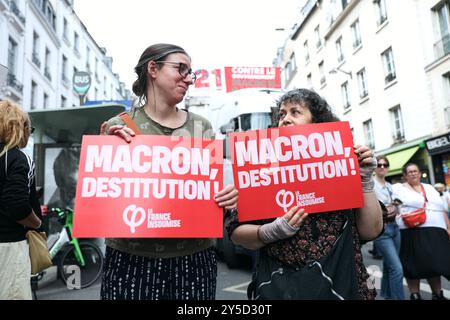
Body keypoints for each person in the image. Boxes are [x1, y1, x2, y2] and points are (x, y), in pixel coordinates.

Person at [99, 44, 238, 300]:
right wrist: (103, 155)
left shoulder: (202, 126)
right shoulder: (119, 126)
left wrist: (226, 200)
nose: (188, 79)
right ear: (153, 68)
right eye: (180, 69)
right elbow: (102, 201)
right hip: (131, 259)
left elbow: (213, 193)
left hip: (194, 259)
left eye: (190, 72)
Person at [227, 88, 383, 300]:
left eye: (295, 112)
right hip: (283, 290)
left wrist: (364, 181)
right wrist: (270, 232)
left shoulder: (343, 166)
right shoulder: (261, 171)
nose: (285, 119)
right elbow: (237, 234)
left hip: (342, 286)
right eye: (281, 114)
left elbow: (370, 230)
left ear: (317, 123)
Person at [0, 100, 43, 300]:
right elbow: (16, 206)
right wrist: (37, 223)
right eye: (29, 128)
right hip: (9, 247)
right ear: (20, 127)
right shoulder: (18, 158)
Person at [392, 163, 450, 300]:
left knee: (434, 263)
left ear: (419, 173)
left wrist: (448, 226)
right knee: (413, 265)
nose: (413, 173)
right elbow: (393, 205)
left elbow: (441, 208)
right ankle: (415, 294)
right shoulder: (398, 188)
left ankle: (437, 294)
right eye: (410, 172)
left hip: (436, 231)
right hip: (411, 231)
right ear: (405, 175)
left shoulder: (430, 188)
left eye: (415, 171)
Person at [372, 155, 404, 300]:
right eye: (379, 165)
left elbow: (398, 205)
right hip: (382, 229)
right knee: (397, 269)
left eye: (385, 165)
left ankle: (386, 295)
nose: (382, 167)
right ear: (374, 167)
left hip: (395, 228)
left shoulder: (390, 186)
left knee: (389, 266)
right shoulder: (370, 184)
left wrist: (396, 205)